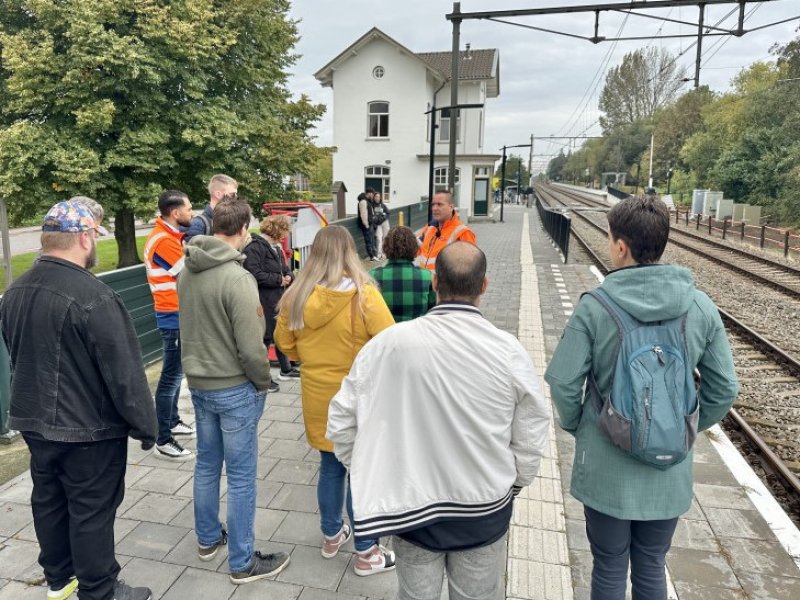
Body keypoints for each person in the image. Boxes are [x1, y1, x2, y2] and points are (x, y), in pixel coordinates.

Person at [328, 241, 550, 599]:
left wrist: (374, 468)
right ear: (484, 286)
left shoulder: (388, 346)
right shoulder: (509, 352)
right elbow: (531, 429)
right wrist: (514, 483)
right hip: (484, 509)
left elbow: (341, 422)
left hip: (412, 510)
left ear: (434, 282)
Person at [544, 196, 739, 600]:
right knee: (651, 564)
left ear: (620, 246)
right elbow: (724, 390)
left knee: (609, 565)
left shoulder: (595, 307)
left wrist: (581, 423)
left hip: (606, 468)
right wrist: (682, 426)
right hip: (668, 472)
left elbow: (563, 381)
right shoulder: (700, 306)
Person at [1, 200, 156, 600]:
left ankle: (60, 578)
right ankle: (100, 590)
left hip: (33, 420)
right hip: (88, 429)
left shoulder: (15, 290)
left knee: (49, 500)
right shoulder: (95, 296)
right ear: (85, 237)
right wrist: (147, 425)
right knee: (91, 509)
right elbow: (125, 373)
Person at [178, 197, 291, 584]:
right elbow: (252, 346)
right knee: (242, 475)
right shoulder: (237, 279)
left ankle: (208, 539)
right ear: (243, 230)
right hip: (234, 387)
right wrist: (263, 382)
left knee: (207, 463)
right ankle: (242, 561)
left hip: (200, 383)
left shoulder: (187, 271)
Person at [274, 225, 396, 576]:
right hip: (357, 397)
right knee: (360, 473)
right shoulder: (364, 296)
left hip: (316, 394)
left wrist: (308, 358)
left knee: (329, 467)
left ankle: (331, 535)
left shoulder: (296, 295)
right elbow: (388, 342)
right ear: (348, 253)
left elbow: (285, 343)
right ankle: (366, 551)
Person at [143, 190, 196, 462]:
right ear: (175, 213)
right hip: (173, 316)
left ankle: (173, 420)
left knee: (176, 372)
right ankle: (163, 439)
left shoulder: (167, 237)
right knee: (171, 376)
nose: (192, 213)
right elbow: (189, 273)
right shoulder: (164, 241)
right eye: (188, 209)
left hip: (176, 315)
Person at [242, 214, 299, 390]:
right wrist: (278, 279)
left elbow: (286, 269)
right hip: (263, 300)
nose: (285, 236)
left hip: (277, 299)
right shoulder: (254, 248)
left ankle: (285, 369)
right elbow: (252, 272)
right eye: (284, 232)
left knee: (280, 332)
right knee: (265, 339)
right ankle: (263, 378)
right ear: (276, 230)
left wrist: (289, 276)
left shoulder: (275, 248)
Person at [370, 226, 435, 322]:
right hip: (416, 333)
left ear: (386, 247)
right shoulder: (427, 277)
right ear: (414, 248)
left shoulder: (372, 276)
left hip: (384, 334)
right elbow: (433, 311)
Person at [415, 191, 476, 270]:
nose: (434, 208)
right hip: (425, 281)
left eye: (439, 204)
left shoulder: (463, 233)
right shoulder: (429, 228)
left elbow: (468, 268)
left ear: (451, 207)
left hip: (445, 282)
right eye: (433, 204)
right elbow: (417, 252)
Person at [182, 173, 238, 241]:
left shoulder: (230, 221)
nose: (236, 197)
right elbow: (189, 251)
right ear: (218, 194)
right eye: (232, 194)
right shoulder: (198, 225)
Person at [357, 187, 377, 260]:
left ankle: (373, 256)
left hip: (370, 224)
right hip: (367, 225)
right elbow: (363, 214)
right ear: (369, 193)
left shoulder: (367, 201)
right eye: (373, 194)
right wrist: (367, 225)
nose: (373, 196)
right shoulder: (363, 201)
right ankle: (371, 257)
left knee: (371, 240)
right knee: (368, 241)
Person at [371, 192, 390, 259]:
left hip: (384, 222)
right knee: (379, 238)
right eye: (376, 196)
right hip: (378, 224)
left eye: (378, 197)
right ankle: (379, 254)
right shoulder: (372, 205)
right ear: (374, 197)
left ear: (380, 197)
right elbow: (372, 216)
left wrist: (384, 218)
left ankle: (385, 253)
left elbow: (388, 213)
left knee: (386, 237)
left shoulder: (383, 205)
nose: (377, 198)